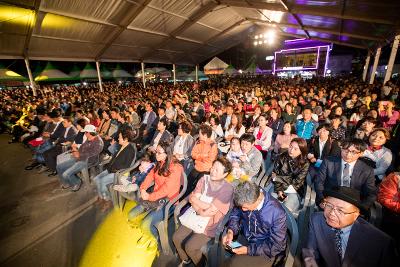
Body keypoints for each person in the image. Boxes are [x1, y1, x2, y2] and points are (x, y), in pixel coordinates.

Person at [303, 186, 397, 267]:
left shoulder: (380, 242)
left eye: (340, 210)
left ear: (356, 214)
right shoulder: (317, 220)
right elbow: (310, 252)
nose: (331, 213)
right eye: (329, 205)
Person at [173, 157, 234, 266]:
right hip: (195, 216)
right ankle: (186, 259)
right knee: (176, 237)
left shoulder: (227, 188)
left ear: (225, 174)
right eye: (213, 168)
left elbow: (211, 210)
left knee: (190, 246)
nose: (212, 171)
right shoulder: (204, 179)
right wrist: (200, 211)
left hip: (210, 223)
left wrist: (197, 203)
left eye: (217, 170)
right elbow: (193, 198)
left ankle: (200, 264)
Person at [222, 181, 287, 267]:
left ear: (257, 200)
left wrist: (248, 250)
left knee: (233, 264)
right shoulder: (247, 196)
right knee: (224, 243)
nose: (243, 209)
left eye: (245, 207)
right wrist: (231, 231)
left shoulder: (277, 213)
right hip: (247, 236)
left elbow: (277, 246)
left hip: (265, 249)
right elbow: (235, 215)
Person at [128, 141, 183, 237]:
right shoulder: (159, 163)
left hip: (169, 202)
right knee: (131, 216)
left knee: (145, 225)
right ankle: (146, 234)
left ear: (167, 154)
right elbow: (149, 176)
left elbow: (166, 190)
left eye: (159, 152)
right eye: (156, 151)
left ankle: (155, 239)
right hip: (155, 197)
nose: (156, 154)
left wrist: (149, 196)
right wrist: (143, 189)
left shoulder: (176, 168)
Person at [316, 139, 376, 208]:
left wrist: (361, 208)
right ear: (341, 149)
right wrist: (322, 199)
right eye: (345, 150)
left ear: (361, 153)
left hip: (353, 203)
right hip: (330, 200)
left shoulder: (367, 170)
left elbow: (371, 193)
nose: (348, 154)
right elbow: (319, 182)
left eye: (353, 152)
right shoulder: (328, 162)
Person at [94, 129, 136, 211]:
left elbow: (126, 166)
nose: (118, 139)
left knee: (102, 181)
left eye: (120, 137)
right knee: (96, 179)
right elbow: (114, 156)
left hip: (118, 173)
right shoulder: (121, 146)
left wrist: (113, 168)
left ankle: (107, 200)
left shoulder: (130, 150)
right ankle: (101, 196)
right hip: (111, 169)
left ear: (126, 139)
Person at [56, 125, 104, 192]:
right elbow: (82, 147)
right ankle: (67, 182)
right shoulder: (89, 138)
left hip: (88, 161)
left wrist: (79, 155)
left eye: (85, 132)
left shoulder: (98, 142)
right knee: (59, 167)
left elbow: (93, 155)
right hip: (79, 158)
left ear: (89, 133)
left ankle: (77, 182)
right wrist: (76, 151)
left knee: (66, 174)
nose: (85, 134)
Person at [272, 138, 309, 212]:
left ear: (301, 151)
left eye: (296, 149)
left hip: (294, 190)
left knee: (287, 209)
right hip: (278, 187)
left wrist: (278, 178)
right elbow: (275, 174)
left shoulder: (305, 163)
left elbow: (297, 181)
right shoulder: (280, 157)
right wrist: (279, 191)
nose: (291, 150)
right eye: (290, 146)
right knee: (270, 205)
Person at [186, 124, 218, 197]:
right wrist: (204, 156)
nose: (199, 135)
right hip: (197, 167)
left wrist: (199, 156)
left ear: (205, 135)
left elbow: (210, 159)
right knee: (187, 184)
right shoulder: (198, 142)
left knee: (197, 188)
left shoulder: (213, 145)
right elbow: (193, 154)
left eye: (200, 134)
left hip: (206, 170)